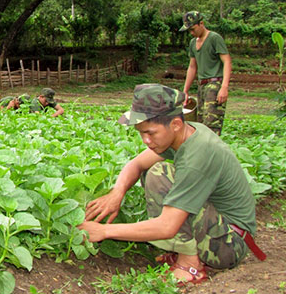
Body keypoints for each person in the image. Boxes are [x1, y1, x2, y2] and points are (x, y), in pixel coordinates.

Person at [78, 84, 263, 286]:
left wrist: (103, 231)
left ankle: (190, 262)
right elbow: (136, 164)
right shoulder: (186, 133)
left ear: (175, 124)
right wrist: (117, 192)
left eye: (151, 133)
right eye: (141, 133)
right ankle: (185, 251)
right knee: (154, 172)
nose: (146, 140)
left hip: (230, 244)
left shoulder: (198, 156)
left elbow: (167, 226)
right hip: (217, 228)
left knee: (160, 174)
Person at [180, 11, 231, 135]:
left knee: (212, 125)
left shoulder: (214, 38)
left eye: (193, 29)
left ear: (201, 23)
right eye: (189, 31)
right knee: (200, 125)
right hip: (201, 85)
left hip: (215, 84)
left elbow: (227, 61)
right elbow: (192, 67)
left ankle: (213, 152)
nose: (191, 33)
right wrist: (185, 91)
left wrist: (224, 87)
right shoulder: (193, 43)